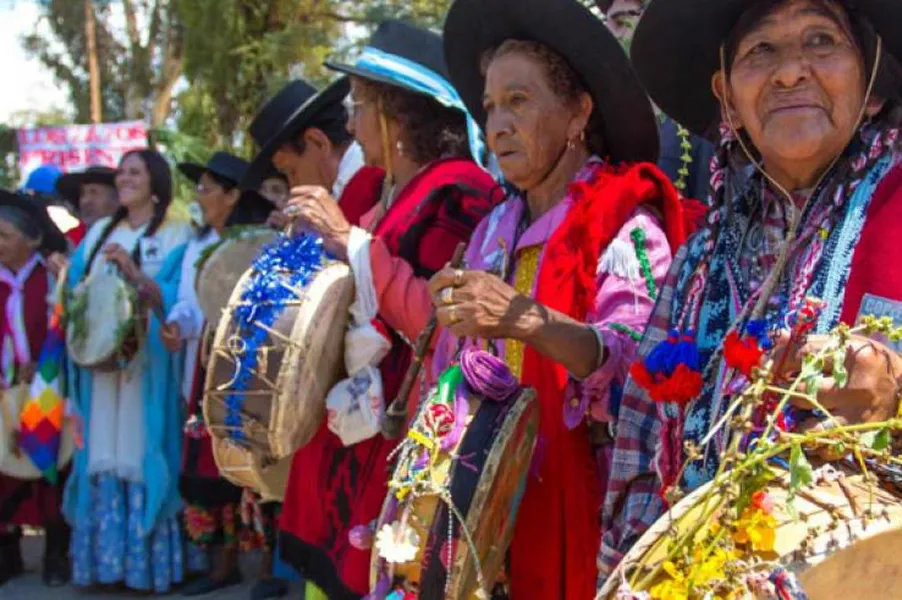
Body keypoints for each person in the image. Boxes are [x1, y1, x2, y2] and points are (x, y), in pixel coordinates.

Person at [602, 0, 902, 583]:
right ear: (727, 98)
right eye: (761, 50)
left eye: (821, 40)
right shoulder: (698, 265)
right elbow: (641, 454)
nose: (790, 71)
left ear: (870, 83)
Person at [409, 0, 692, 597]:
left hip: (581, 510)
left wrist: (524, 321)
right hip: (483, 506)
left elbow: (640, 373)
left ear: (577, 113)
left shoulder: (623, 225)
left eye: (519, 100)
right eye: (489, 107)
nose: (498, 124)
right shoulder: (492, 229)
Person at [278, 19, 500, 599]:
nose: (351, 125)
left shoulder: (461, 189)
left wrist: (351, 242)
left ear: (397, 115)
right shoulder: (385, 193)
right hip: (357, 431)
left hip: (406, 429)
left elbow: (438, 322)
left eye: (360, 106)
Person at [63, 149, 194, 593]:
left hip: (149, 367)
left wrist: (137, 276)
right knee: (102, 448)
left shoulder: (178, 235)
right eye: (121, 172)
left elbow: (179, 299)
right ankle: (105, 566)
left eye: (134, 172)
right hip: (103, 373)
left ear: (156, 182)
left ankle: (148, 567)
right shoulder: (99, 233)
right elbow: (75, 297)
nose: (124, 179)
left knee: (143, 448)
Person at [160, 151, 281, 598]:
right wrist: (179, 323)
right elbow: (195, 305)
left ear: (233, 195)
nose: (200, 194)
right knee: (210, 465)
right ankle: (222, 563)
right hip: (210, 364)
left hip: (247, 366)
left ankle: (267, 567)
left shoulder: (259, 240)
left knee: (253, 460)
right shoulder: (198, 246)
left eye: (208, 186)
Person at [0, 190, 70, 587]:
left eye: (5, 235)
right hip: (4, 390)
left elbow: (62, 329)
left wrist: (41, 366)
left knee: (50, 469)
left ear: (31, 240)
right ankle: (7, 552)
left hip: (45, 389)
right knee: (3, 467)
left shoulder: (50, 277)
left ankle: (56, 553)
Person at [243, 78, 370, 231]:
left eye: (292, 171)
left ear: (318, 142)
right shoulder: (345, 193)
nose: (293, 187)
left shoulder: (374, 184)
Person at [55, 166, 120, 230]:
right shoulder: (73, 238)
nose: (85, 201)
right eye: (82, 194)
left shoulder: (126, 237)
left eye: (94, 192)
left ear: (118, 199)